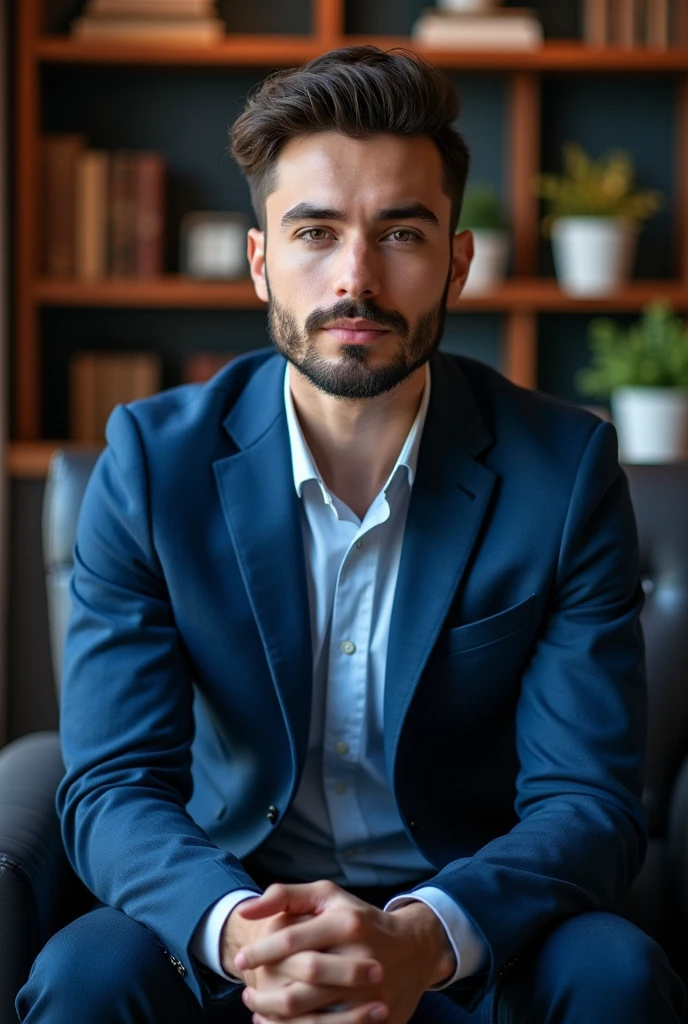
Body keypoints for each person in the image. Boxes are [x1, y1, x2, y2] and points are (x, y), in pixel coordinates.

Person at [17, 45, 685, 1024]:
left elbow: (586, 799)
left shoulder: (565, 471)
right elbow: (115, 781)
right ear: (260, 263)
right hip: (232, 898)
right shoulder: (150, 464)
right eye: (315, 231)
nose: (356, 278)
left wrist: (423, 936)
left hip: (470, 914)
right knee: (83, 979)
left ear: (457, 259)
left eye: (401, 233)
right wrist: (244, 932)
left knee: (617, 976)